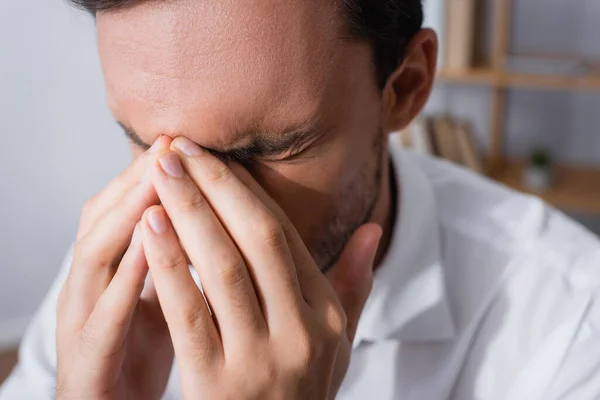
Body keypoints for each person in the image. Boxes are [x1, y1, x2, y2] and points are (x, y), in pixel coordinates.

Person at [2, 0, 600, 398]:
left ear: (406, 88)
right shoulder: (124, 254)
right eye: (147, 146)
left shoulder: (572, 326)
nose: (191, 217)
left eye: (272, 148)